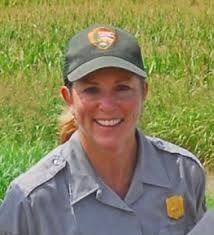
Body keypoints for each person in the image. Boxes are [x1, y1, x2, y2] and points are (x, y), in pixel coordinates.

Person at [0, 24, 206, 235]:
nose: (107, 105)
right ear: (68, 98)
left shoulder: (183, 175)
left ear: (144, 92)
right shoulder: (31, 202)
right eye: (91, 90)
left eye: (122, 88)